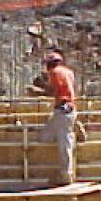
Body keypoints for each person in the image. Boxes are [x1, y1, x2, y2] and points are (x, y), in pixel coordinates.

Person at [30, 52, 77, 186]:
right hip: (66, 110)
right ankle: (73, 129)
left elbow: (54, 91)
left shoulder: (55, 73)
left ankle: (65, 175)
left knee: (64, 143)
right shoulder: (68, 72)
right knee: (45, 136)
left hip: (63, 111)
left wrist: (38, 91)